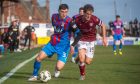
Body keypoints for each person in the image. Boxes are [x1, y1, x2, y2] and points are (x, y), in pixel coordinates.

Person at [28, 4, 80, 81]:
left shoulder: (70, 22)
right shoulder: (54, 17)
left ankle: (57, 70)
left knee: (59, 67)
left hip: (64, 47)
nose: (64, 14)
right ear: (58, 11)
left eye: (66, 12)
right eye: (62, 12)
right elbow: (56, 29)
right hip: (53, 43)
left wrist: (73, 45)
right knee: (38, 58)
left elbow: (79, 34)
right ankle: (34, 76)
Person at [70, 4, 107, 80]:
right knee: (82, 59)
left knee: (88, 62)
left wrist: (104, 38)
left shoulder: (94, 19)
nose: (89, 16)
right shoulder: (77, 19)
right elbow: (71, 27)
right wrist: (72, 39)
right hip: (81, 39)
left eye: (90, 14)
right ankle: (82, 75)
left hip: (91, 41)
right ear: (84, 13)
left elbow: (103, 25)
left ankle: (78, 57)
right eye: (87, 14)